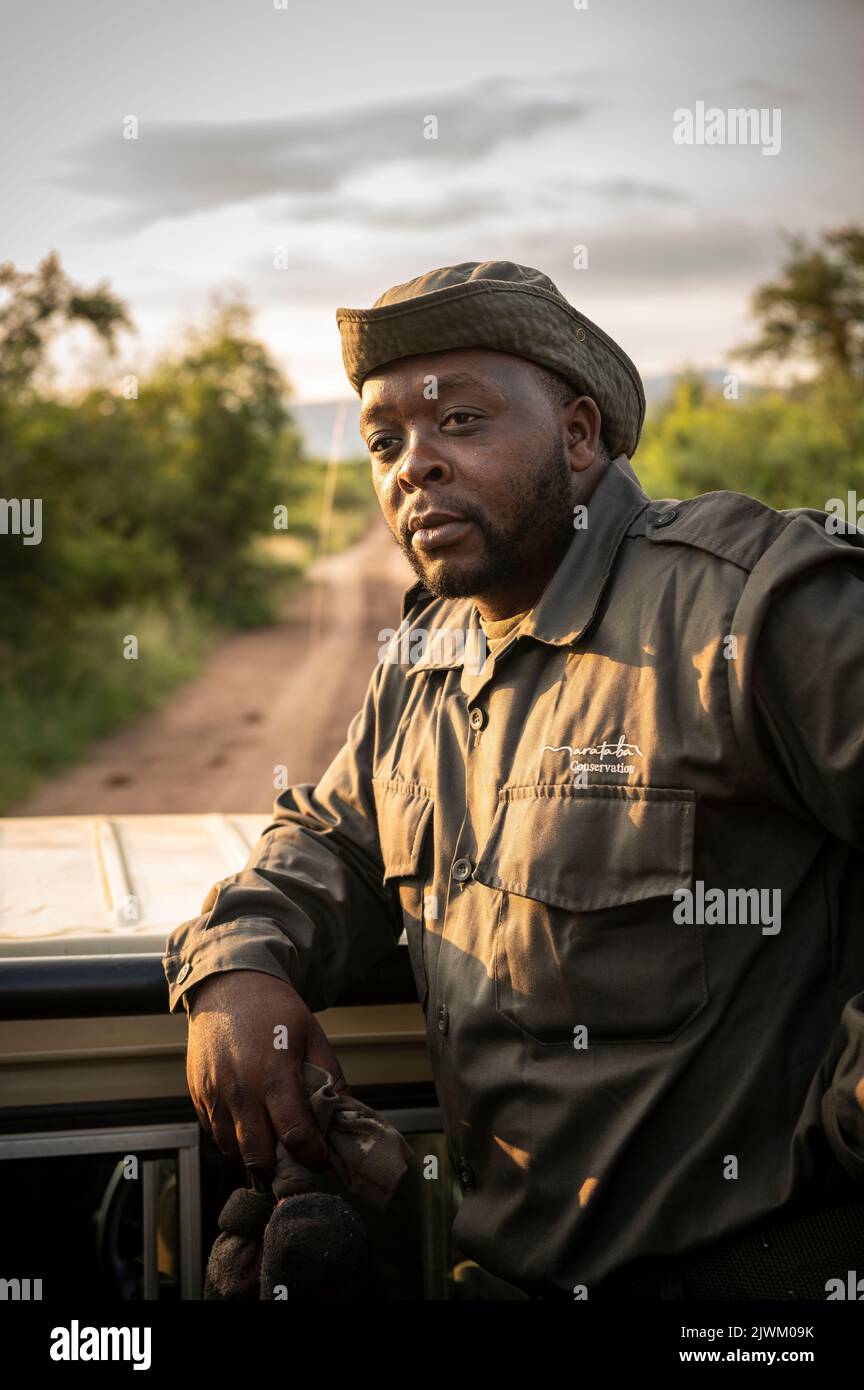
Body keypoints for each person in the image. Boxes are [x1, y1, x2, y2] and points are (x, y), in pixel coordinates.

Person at [163, 260, 864, 1299]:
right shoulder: (431, 651)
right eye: (384, 441)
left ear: (579, 436)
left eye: (461, 422)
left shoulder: (749, 609)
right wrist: (235, 970)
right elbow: (334, 838)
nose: (415, 467)